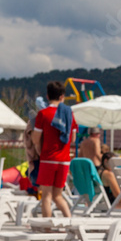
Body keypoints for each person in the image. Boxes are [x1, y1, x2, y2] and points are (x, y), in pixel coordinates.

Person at [31, 80, 78, 218]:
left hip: (48, 159)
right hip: (64, 161)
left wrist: (40, 151)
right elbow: (73, 139)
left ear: (47, 96)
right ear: (62, 96)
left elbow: (35, 138)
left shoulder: (43, 114)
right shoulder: (69, 114)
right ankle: (70, 224)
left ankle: (47, 230)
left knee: (46, 196)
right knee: (58, 196)